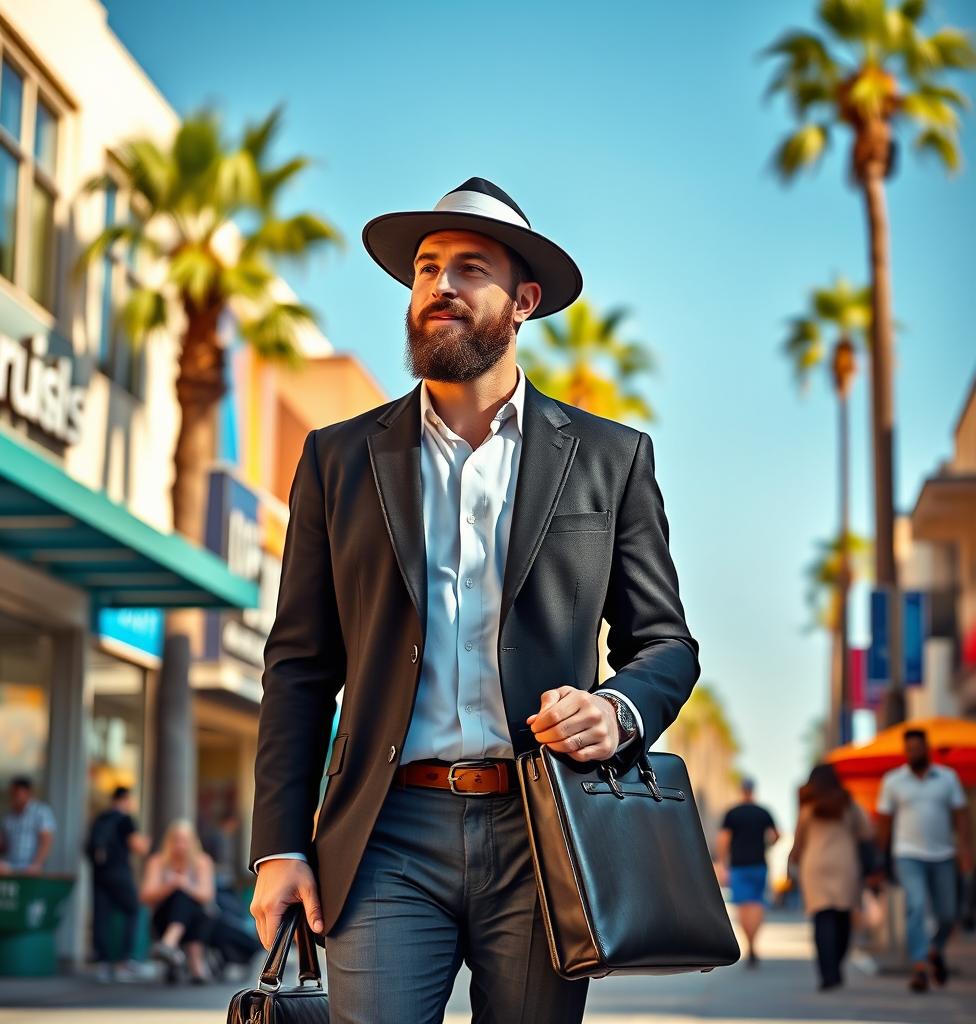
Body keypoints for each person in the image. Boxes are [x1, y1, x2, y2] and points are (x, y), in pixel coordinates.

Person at [249, 177, 701, 1023]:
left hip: (547, 833)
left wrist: (618, 711)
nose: (440, 287)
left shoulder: (611, 458)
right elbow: (301, 666)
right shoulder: (339, 459)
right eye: (426, 269)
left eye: (468, 268)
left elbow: (666, 645)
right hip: (384, 835)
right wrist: (278, 844)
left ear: (524, 300)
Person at [876, 727, 973, 992]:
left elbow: (961, 816)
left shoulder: (947, 779)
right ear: (904, 751)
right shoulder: (893, 781)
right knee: (916, 905)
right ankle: (919, 965)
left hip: (943, 854)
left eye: (917, 748)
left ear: (926, 748)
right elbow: (884, 823)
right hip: (907, 855)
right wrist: (879, 859)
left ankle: (934, 950)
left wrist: (966, 851)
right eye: (908, 749)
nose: (913, 753)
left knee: (948, 913)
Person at [788, 764, 874, 991]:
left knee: (822, 918)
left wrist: (791, 862)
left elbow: (799, 841)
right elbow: (867, 832)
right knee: (842, 917)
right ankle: (836, 966)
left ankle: (828, 974)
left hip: (815, 867)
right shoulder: (849, 805)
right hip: (845, 865)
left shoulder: (808, 807)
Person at [86, 786, 150, 982]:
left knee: (101, 916)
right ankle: (125, 962)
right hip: (120, 873)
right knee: (132, 910)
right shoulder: (124, 818)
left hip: (99, 874)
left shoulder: (101, 818)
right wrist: (145, 842)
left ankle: (102, 964)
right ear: (125, 800)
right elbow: (138, 847)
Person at [140, 819, 216, 983]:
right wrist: (170, 886)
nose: (180, 845)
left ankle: (170, 947)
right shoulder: (158, 861)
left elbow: (207, 895)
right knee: (179, 896)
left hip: (196, 918)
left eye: (185, 840)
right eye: (176, 840)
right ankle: (195, 964)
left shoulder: (202, 861)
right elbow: (146, 895)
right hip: (163, 918)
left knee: (188, 900)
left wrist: (185, 884)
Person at [715, 778, 779, 966]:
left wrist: (722, 862)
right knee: (757, 904)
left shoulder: (733, 813)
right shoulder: (763, 812)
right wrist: (766, 845)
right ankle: (754, 943)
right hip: (759, 863)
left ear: (742, 791)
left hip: (739, 865)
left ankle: (749, 944)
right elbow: (776, 835)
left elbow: (723, 840)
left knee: (743, 906)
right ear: (754, 791)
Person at [0, 776, 55, 873]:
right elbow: (4, 845)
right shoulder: (8, 816)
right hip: (10, 867)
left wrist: (36, 864)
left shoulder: (41, 812)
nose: (13, 797)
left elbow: (46, 841)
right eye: (12, 794)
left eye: (17, 794)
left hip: (31, 869)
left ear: (28, 793)